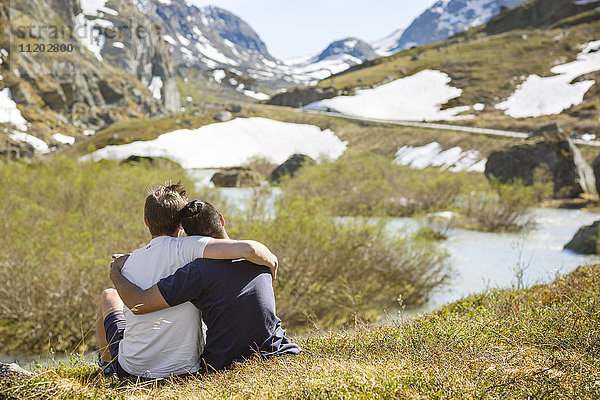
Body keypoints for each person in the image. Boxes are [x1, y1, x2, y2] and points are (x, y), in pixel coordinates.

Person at [96, 182, 278, 379]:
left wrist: (116, 270)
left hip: (132, 369)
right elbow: (247, 249)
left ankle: (108, 366)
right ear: (181, 226)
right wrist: (271, 266)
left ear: (146, 222)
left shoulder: (129, 263)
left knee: (109, 294)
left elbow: (140, 298)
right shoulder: (192, 248)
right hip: (186, 370)